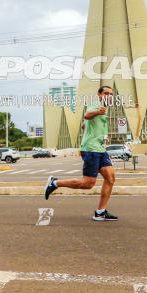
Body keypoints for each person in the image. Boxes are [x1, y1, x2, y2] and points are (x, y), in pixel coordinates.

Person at [43, 85, 118, 221]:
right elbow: (87, 115)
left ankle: (100, 212)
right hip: (91, 149)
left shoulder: (105, 108)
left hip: (100, 149)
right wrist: (96, 113)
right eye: (106, 93)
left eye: (111, 94)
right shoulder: (97, 105)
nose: (109, 96)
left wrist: (88, 127)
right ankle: (54, 183)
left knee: (110, 178)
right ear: (99, 95)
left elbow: (85, 123)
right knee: (88, 183)